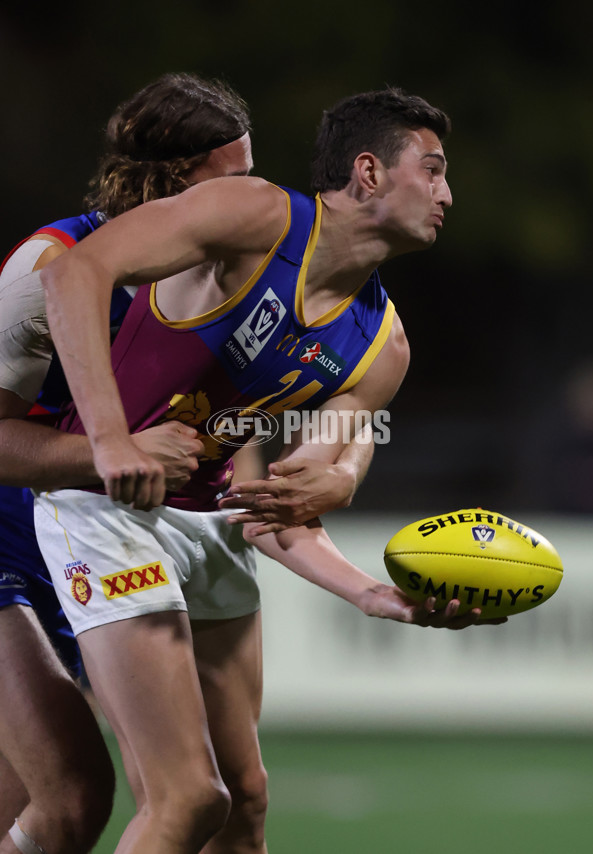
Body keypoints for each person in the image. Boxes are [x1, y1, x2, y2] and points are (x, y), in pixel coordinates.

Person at [33, 86, 505, 854]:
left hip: (211, 522)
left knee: (246, 801)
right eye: (434, 169)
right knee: (187, 798)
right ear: (369, 172)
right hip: (107, 513)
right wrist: (109, 441)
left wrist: (373, 593)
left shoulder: (383, 348)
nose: (448, 194)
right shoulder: (259, 216)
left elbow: (275, 510)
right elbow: (72, 276)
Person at [0, 73, 375, 854]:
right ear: (171, 183)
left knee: (221, 800)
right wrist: (106, 452)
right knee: (74, 795)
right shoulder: (49, 271)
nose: (258, 197)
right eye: (234, 179)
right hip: (12, 534)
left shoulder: (225, 289)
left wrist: (339, 481)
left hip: (96, 529)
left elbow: (240, 485)